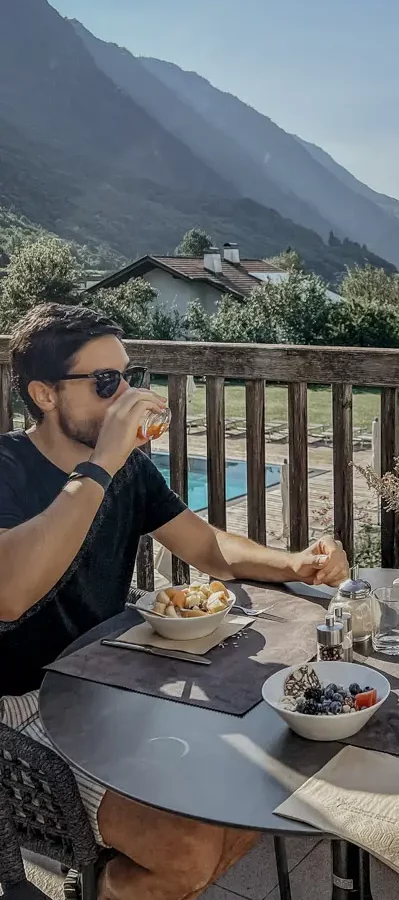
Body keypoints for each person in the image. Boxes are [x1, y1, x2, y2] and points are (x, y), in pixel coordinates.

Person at [0, 303, 349, 900]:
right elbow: (9, 594)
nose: (125, 395)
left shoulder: (128, 472)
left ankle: (98, 888)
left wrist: (293, 563)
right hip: (24, 703)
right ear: (45, 394)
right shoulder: (8, 468)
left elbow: (206, 545)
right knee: (188, 854)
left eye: (129, 377)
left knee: (257, 792)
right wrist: (101, 461)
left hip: (109, 681)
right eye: (105, 382)